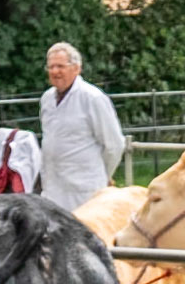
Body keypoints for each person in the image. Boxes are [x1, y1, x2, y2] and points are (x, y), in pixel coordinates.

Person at [39, 43, 125, 212]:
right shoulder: (47, 99)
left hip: (85, 190)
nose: (55, 71)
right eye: (51, 67)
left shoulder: (93, 98)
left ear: (76, 68)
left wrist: (103, 175)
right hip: (53, 189)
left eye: (61, 66)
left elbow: (114, 145)